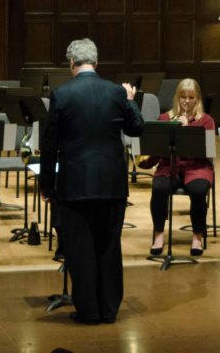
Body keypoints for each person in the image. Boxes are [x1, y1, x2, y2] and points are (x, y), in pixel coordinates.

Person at [40, 38, 144, 325]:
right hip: (111, 184)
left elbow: (50, 145)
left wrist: (47, 185)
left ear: (71, 63)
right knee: (109, 246)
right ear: (96, 63)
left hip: (75, 184)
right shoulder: (115, 92)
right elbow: (137, 129)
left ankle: (88, 311)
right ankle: (109, 309)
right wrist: (131, 101)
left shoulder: (61, 94)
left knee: (80, 249)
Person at [146, 78, 214, 257]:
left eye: (191, 97)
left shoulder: (206, 121)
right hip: (170, 166)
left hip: (197, 166)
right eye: (183, 97)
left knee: (198, 191)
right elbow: (158, 150)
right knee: (159, 188)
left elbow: (207, 153)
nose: (186, 101)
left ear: (197, 99)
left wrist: (185, 133)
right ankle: (158, 234)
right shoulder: (165, 118)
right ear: (177, 98)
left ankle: (197, 236)